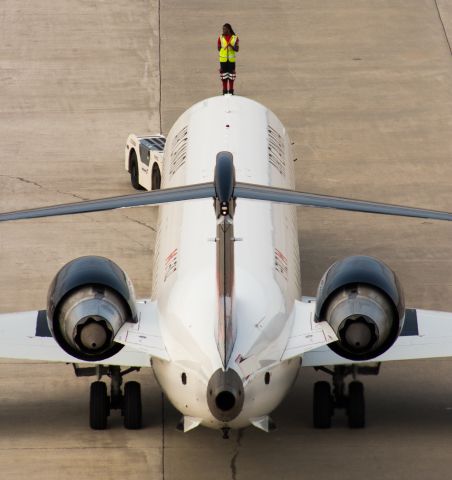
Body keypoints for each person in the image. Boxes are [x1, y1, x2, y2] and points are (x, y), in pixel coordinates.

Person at [218, 23, 239, 95]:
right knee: (224, 76)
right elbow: (218, 48)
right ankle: (224, 91)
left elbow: (237, 49)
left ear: (228, 29)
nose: (223, 31)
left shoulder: (235, 38)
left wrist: (231, 46)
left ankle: (231, 91)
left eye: (224, 29)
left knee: (231, 76)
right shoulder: (220, 38)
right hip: (223, 60)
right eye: (223, 29)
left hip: (231, 60)